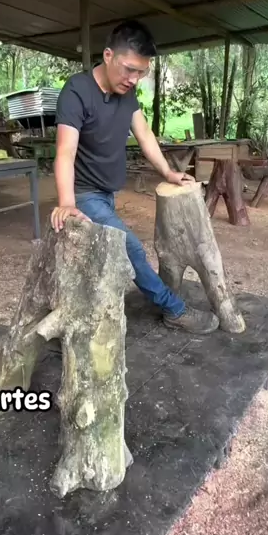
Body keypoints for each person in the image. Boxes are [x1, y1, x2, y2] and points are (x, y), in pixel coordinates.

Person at [50, 19, 217, 334]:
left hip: (106, 195)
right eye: (129, 69)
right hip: (84, 195)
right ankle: (174, 310)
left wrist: (168, 171)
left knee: (105, 256)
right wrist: (67, 202)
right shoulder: (77, 90)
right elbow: (65, 151)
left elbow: (144, 134)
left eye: (141, 72)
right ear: (108, 55)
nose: (133, 79)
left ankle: (93, 314)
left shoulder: (126, 93)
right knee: (132, 249)